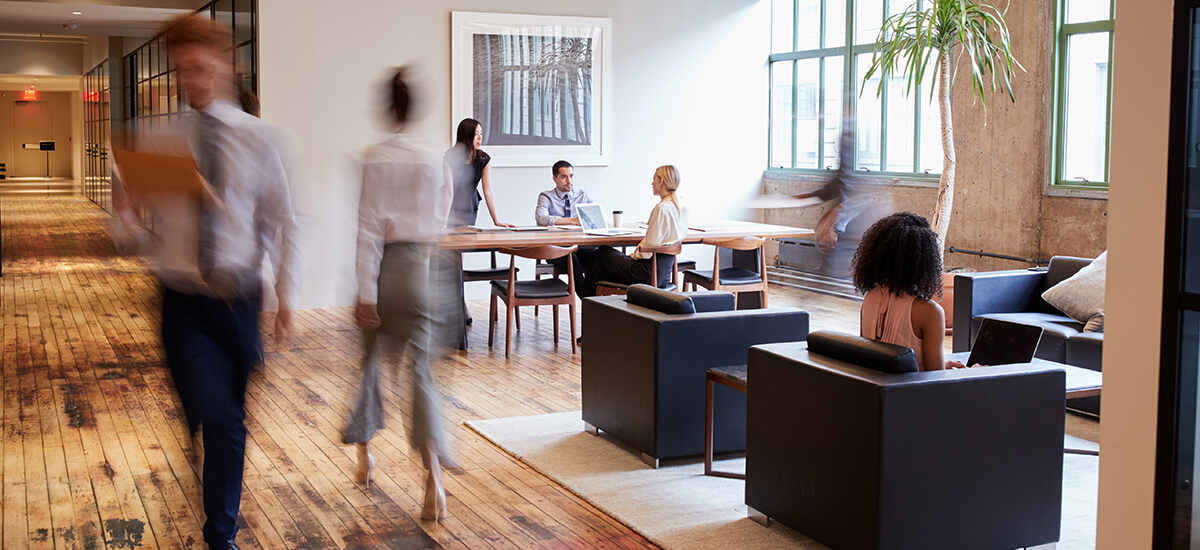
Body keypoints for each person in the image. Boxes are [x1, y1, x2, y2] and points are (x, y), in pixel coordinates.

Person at [114, 15, 300, 550]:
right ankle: (222, 538)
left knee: (226, 419)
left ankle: (216, 501)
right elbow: (126, 233)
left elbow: (281, 222)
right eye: (181, 70)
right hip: (183, 300)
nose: (189, 80)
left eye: (198, 67)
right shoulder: (158, 137)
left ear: (226, 65)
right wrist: (126, 212)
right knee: (218, 418)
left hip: (239, 300)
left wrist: (287, 297)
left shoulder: (263, 139)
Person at [344, 67, 451, 522]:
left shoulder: (374, 158)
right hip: (425, 269)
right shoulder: (434, 158)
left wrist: (365, 292)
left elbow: (368, 228)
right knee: (420, 374)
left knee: (370, 363)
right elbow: (442, 216)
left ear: (388, 108)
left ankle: (365, 455)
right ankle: (433, 482)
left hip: (388, 268)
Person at [852, 212, 963, 371]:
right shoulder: (930, 312)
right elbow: (936, 379)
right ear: (926, 260)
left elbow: (877, 361)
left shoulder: (870, 298)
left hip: (877, 391)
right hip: (912, 394)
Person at [579, 165, 685, 297]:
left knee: (602, 252)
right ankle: (595, 299)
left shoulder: (662, 209)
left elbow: (648, 248)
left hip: (647, 274)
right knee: (603, 264)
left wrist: (634, 255)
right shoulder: (679, 206)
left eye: (654, 179)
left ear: (661, 181)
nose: (652, 183)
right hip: (663, 274)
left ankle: (588, 297)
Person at [445, 118, 512, 228]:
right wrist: (443, 222)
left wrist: (496, 221)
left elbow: (488, 192)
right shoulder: (450, 157)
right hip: (449, 203)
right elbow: (448, 192)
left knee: (466, 238)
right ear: (466, 135)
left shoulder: (483, 159)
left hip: (469, 203)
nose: (480, 137)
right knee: (448, 239)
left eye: (481, 133)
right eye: (476, 134)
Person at [535, 160, 592, 226]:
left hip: (579, 235)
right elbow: (541, 218)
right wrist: (573, 221)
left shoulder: (582, 195)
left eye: (571, 176)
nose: (569, 181)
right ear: (554, 179)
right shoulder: (546, 197)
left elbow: (597, 216)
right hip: (555, 235)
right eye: (564, 177)